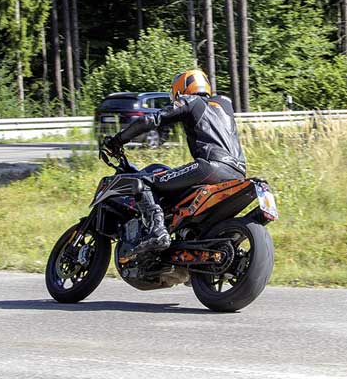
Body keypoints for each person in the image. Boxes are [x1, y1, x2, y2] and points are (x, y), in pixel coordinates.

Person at [104, 69, 246, 258]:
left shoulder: (191, 101)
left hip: (211, 166)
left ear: (181, 89)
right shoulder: (224, 104)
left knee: (145, 182)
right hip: (238, 171)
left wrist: (118, 140)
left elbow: (150, 120)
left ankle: (157, 231)